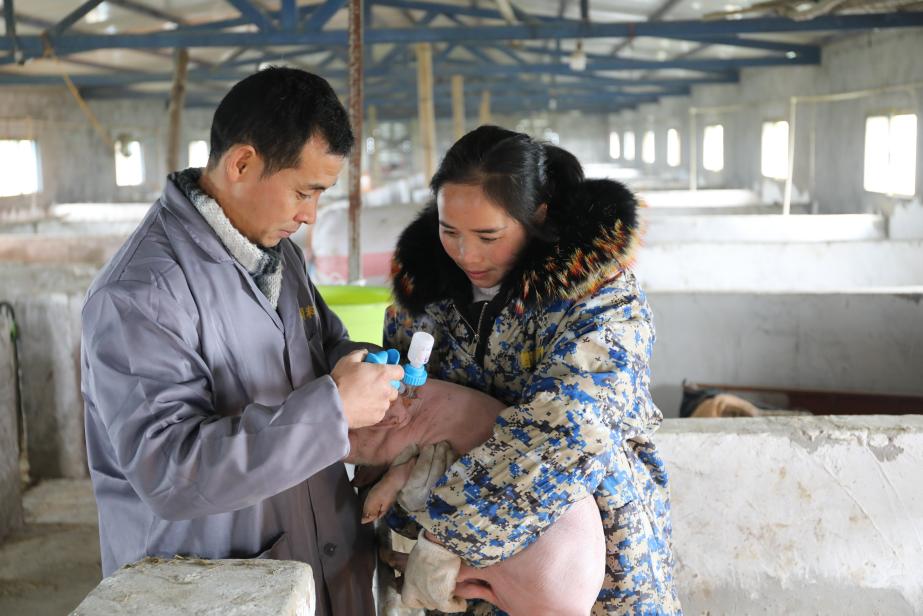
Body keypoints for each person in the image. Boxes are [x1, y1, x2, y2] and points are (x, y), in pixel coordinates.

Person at [80, 68, 403, 616]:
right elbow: (170, 470)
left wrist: (359, 366)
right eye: (303, 192)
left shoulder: (276, 253)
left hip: (320, 555)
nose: (309, 216)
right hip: (220, 586)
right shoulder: (140, 294)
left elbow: (322, 342)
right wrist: (333, 410)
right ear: (242, 164)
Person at [382, 125, 682, 614]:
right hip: (464, 577)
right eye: (449, 231)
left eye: (488, 236)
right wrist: (405, 489)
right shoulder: (425, 297)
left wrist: (449, 536)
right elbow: (406, 405)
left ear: (537, 214)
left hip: (585, 570)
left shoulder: (599, 300)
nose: (466, 254)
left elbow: (568, 429)